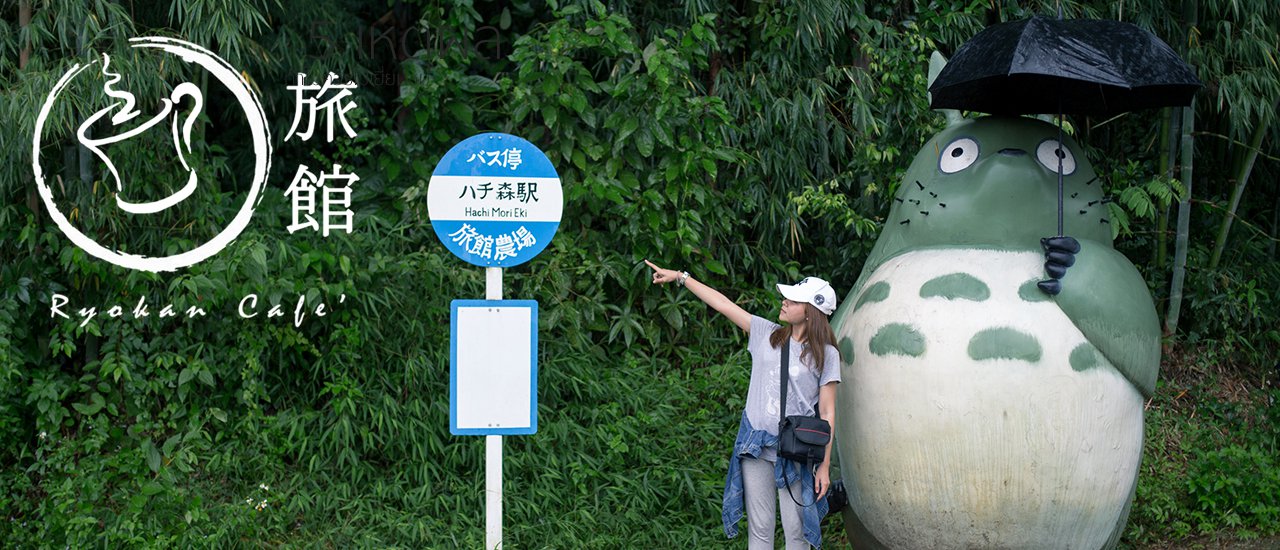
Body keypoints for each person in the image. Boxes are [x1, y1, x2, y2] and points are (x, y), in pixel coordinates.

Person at [644, 260, 841, 549]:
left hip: (796, 449)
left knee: (796, 533)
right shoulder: (767, 334)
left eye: (793, 300)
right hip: (756, 444)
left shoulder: (826, 354)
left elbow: (827, 413)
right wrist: (681, 278)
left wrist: (824, 466)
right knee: (760, 530)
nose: (784, 302)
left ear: (810, 313)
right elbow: (723, 304)